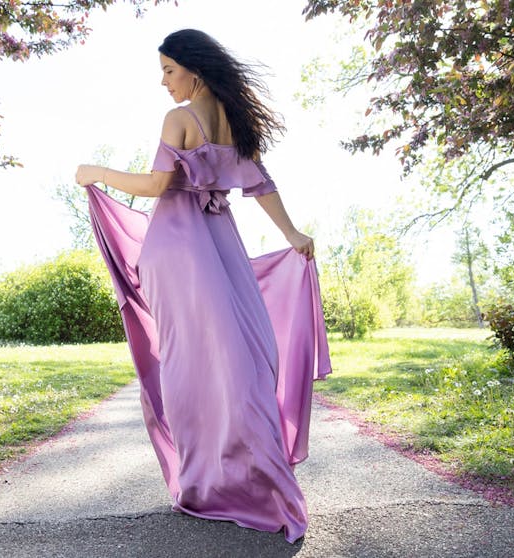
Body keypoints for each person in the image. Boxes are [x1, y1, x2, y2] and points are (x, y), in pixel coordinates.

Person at [75, 29, 331, 543]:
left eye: (169, 70)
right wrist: (291, 232)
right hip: (213, 242)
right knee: (238, 358)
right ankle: (219, 479)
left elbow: (155, 186)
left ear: (195, 70)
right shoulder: (231, 122)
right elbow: (262, 185)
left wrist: (95, 172)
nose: (165, 82)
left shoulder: (180, 119)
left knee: (205, 362)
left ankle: (223, 480)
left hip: (181, 247)